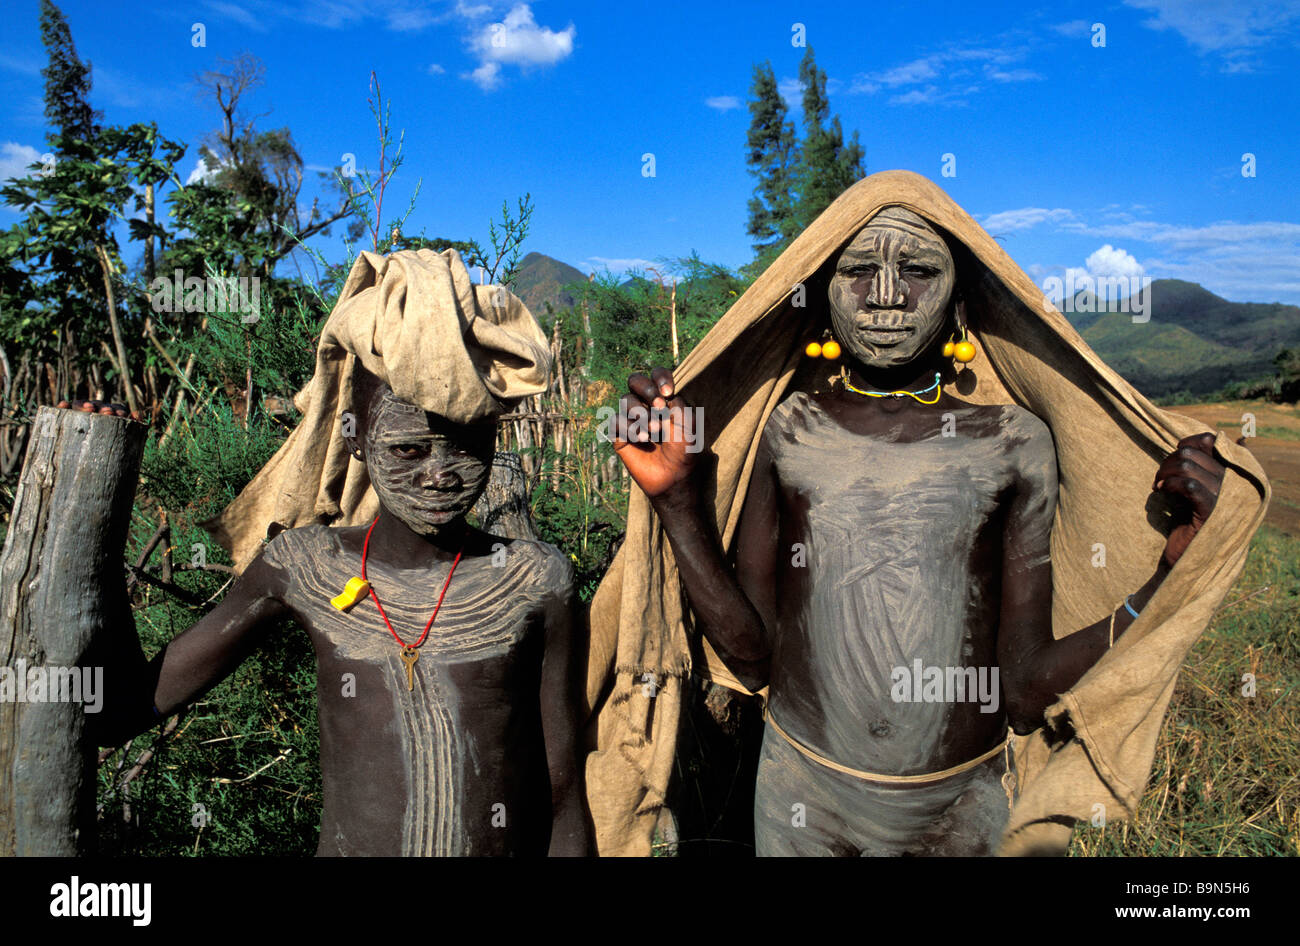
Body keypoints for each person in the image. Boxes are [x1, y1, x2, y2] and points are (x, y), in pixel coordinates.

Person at [585, 171, 1267, 856]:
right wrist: (676, 501)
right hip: (802, 800)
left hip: (961, 810)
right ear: (820, 292)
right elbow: (753, 655)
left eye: (917, 269)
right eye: (857, 269)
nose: (886, 293)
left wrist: (1163, 582)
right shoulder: (790, 431)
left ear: (960, 300)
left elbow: (1025, 692)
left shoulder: (1014, 442)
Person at [91, 248, 590, 856]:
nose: (440, 476)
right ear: (356, 439)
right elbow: (120, 713)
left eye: (465, 448)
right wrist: (98, 540)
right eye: (408, 451)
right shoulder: (304, 566)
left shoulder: (535, 580)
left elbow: (563, 792)